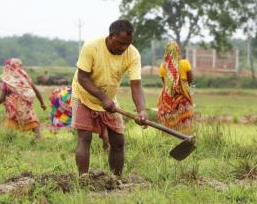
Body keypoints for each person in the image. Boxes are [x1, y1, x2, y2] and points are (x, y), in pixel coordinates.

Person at [71, 19, 147, 176]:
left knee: (118, 142)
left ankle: (116, 180)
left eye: (127, 44)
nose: (123, 48)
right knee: (85, 139)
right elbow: (82, 78)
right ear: (111, 36)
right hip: (84, 96)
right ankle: (83, 179)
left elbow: (136, 85)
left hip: (109, 99)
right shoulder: (91, 47)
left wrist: (141, 110)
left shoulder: (132, 54)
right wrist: (103, 98)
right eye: (120, 43)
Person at [0, 58, 47, 139]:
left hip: (13, 109)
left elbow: (1, 99)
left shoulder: (7, 80)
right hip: (26, 107)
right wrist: (42, 103)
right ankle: (39, 140)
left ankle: (10, 140)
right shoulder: (25, 77)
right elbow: (36, 91)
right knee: (33, 121)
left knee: (11, 127)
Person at [157, 42, 194, 134]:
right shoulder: (185, 63)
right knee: (185, 123)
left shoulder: (163, 66)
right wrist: (183, 87)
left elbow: (164, 83)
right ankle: (184, 139)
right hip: (183, 98)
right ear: (178, 51)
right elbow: (190, 80)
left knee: (168, 123)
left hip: (166, 100)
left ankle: (168, 139)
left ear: (166, 52)